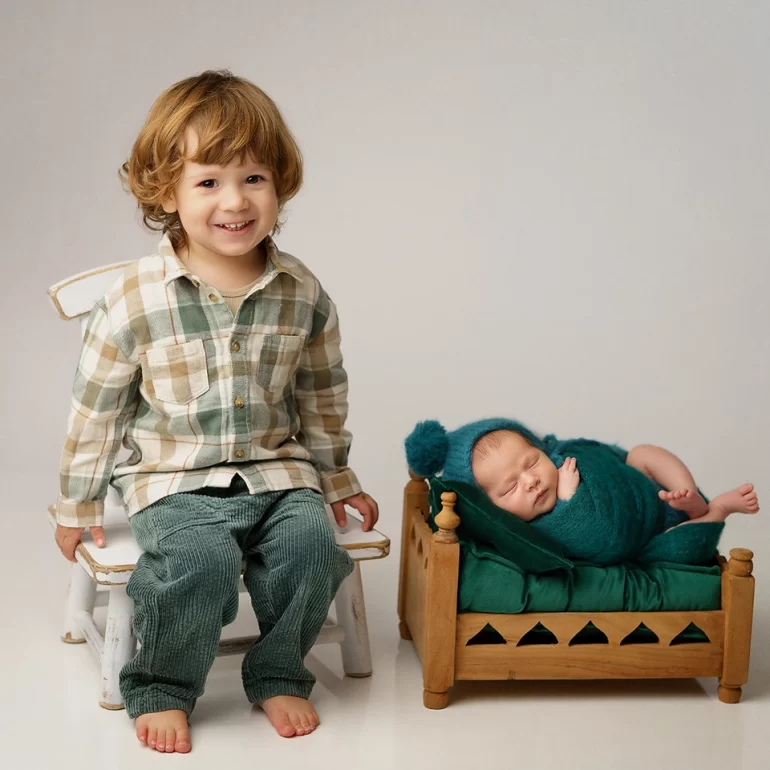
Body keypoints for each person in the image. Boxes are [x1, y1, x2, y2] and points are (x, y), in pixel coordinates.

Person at [54, 70, 379, 753]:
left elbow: (322, 394)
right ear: (166, 192)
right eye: (208, 182)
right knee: (197, 562)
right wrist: (77, 503)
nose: (234, 201)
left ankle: (279, 669)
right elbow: (97, 412)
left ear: (279, 183)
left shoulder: (300, 292)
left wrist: (339, 479)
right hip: (173, 480)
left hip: (277, 471)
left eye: (253, 178)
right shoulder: (135, 299)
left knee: (312, 550)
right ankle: (165, 685)